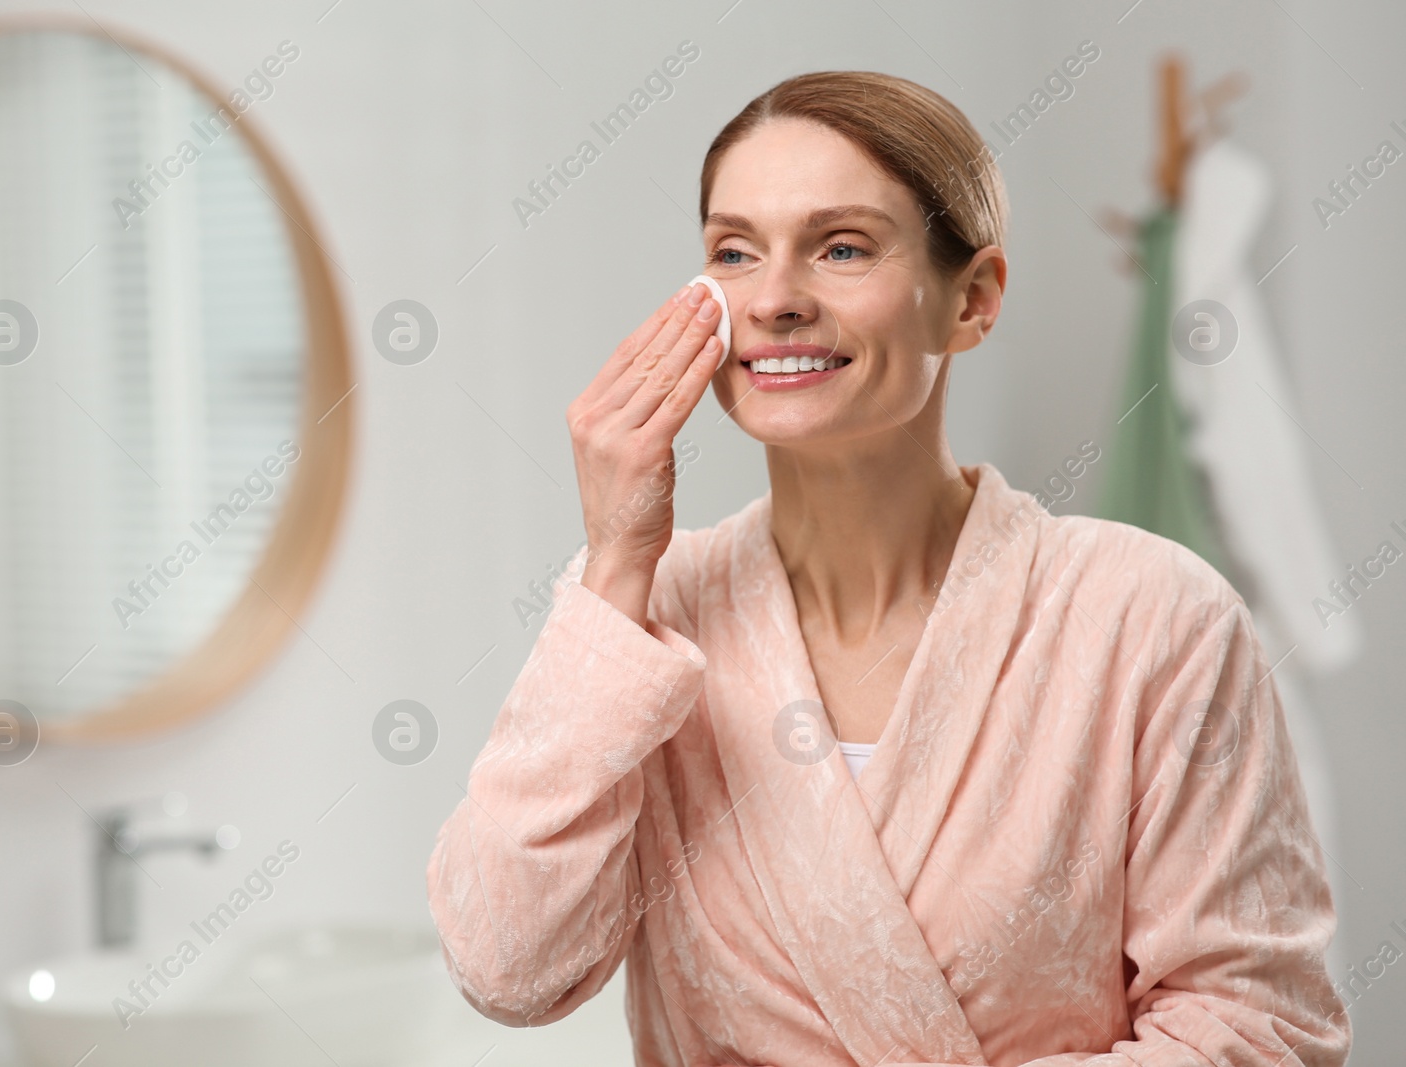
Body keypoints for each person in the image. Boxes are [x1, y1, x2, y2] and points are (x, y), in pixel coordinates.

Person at [426, 70, 1350, 1066]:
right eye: (733, 251)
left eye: (841, 247)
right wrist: (614, 559)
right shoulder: (641, 617)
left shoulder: (1148, 614)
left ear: (973, 298)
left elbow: (1260, 1027)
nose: (774, 298)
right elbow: (509, 971)